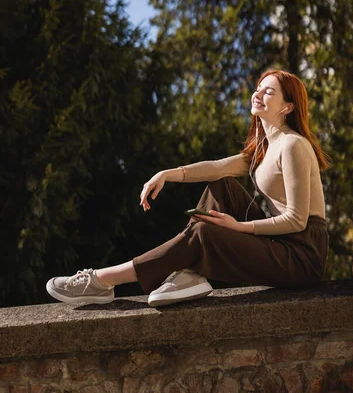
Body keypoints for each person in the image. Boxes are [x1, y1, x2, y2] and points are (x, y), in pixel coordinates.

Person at [46, 69, 330, 308]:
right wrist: (167, 174)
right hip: (281, 245)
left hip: (302, 257)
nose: (258, 93)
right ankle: (189, 272)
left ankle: (104, 280)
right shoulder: (265, 149)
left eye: (269, 91)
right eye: (258, 88)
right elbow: (217, 168)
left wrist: (237, 227)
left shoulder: (292, 144)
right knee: (222, 186)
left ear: (288, 106)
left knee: (206, 232)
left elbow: (297, 219)